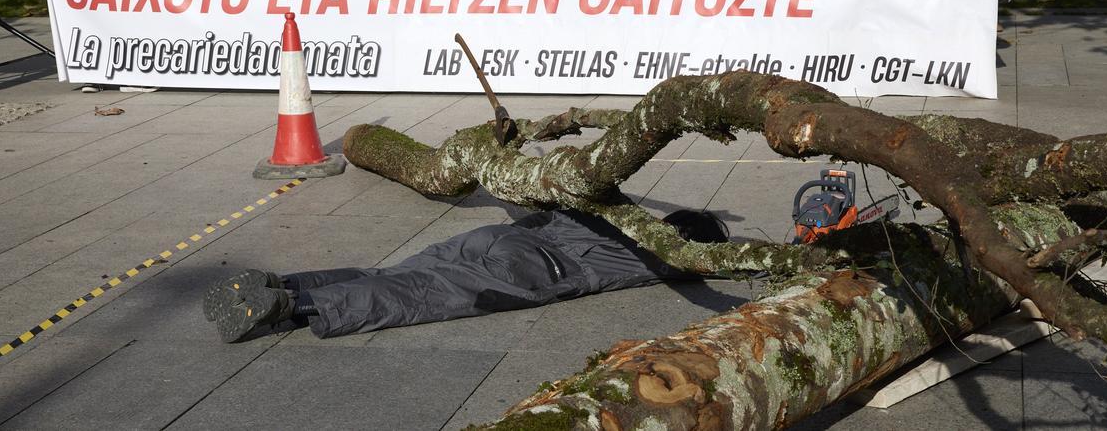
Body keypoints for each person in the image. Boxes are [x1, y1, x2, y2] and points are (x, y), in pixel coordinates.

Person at [204, 208, 729, 342]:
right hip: (531, 270)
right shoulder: (663, 258)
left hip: (493, 237)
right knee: (416, 293)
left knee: (394, 272)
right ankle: (294, 306)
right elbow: (724, 268)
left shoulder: (610, 211)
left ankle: (286, 284)